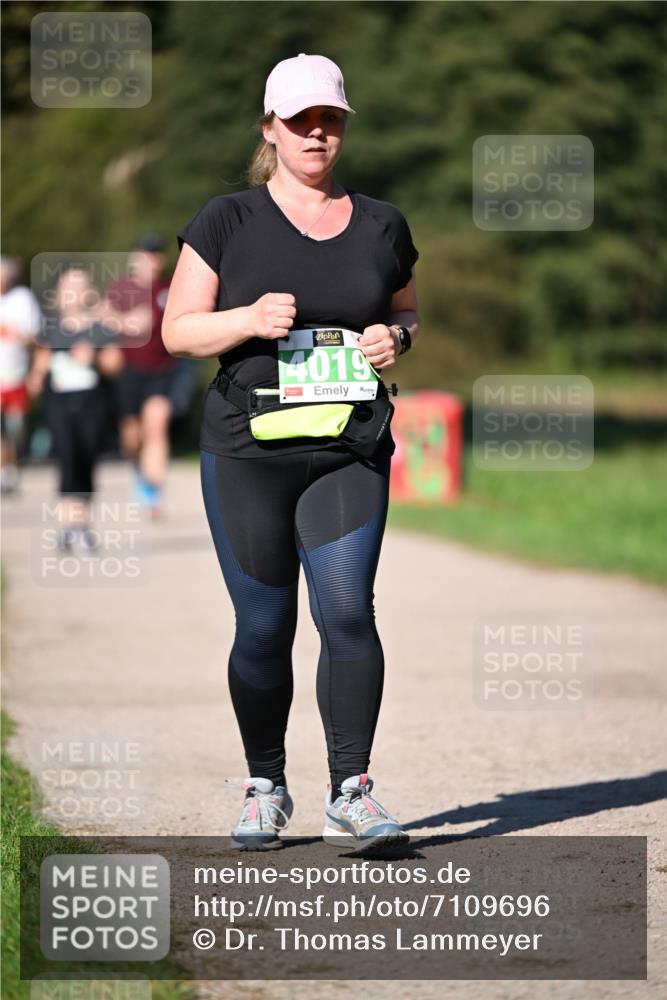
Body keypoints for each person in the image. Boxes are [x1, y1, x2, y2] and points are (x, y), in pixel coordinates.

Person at [163, 53, 420, 852]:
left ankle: (352, 792)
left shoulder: (381, 223)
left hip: (347, 447)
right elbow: (176, 331)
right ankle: (265, 786)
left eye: (329, 119)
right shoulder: (226, 220)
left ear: (343, 126)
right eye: (300, 120)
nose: (316, 133)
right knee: (263, 627)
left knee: (347, 614)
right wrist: (244, 320)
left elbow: (408, 312)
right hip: (248, 452)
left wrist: (395, 339)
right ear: (270, 128)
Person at [27, 267, 123, 549]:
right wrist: (34, 377)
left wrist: (92, 359)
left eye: (80, 286)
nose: (74, 292)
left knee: (86, 458)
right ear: (58, 294)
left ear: (89, 293)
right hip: (59, 402)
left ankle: (82, 525)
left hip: (93, 402)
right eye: (69, 286)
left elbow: (115, 365)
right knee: (67, 457)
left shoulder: (99, 328)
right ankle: (68, 525)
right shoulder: (50, 326)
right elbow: (41, 361)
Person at [106, 235, 175, 518]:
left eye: (157, 255)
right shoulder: (122, 288)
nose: (153, 260)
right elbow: (99, 316)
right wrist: (124, 321)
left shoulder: (169, 288)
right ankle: (140, 472)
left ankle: (153, 493)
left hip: (162, 370)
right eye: (147, 254)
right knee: (132, 437)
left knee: (157, 426)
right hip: (129, 372)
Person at [0, 256, 42, 495]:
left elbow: (35, 338)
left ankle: (12, 466)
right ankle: (4, 471)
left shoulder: (22, 299)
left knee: (15, 426)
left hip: (16, 373)